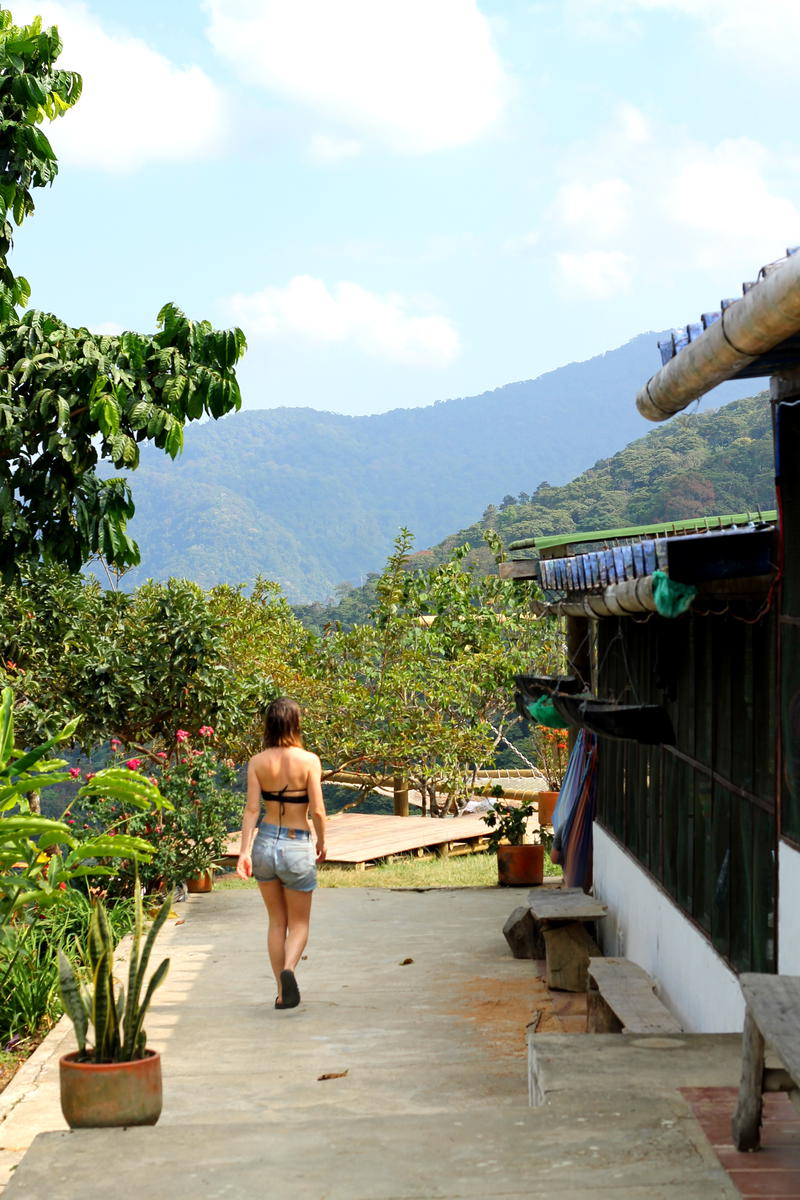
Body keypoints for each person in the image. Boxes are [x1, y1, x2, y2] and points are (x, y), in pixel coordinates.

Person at [236, 697, 326, 1009]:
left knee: (277, 922)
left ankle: (280, 991)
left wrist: (243, 852)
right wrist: (322, 842)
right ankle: (289, 969)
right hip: (296, 842)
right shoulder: (309, 761)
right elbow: (317, 811)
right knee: (299, 923)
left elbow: (251, 810)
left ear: (269, 725)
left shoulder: (257, 761)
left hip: (265, 842)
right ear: (295, 723)